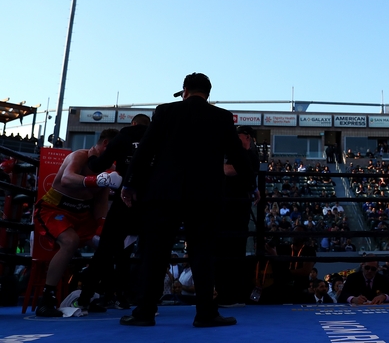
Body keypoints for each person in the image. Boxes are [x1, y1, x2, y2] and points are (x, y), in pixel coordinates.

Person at [119, 73, 254, 328]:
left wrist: (130, 183)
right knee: (202, 253)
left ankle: (145, 311)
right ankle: (205, 313)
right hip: (205, 195)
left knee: (155, 253)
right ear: (208, 93)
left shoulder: (165, 112)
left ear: (185, 91)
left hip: (164, 193)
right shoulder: (222, 117)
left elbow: (145, 150)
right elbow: (238, 156)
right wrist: (252, 185)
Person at [33, 128, 121, 317]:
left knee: (107, 243)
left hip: (82, 214)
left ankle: (89, 295)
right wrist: (95, 180)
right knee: (70, 241)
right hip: (55, 209)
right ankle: (46, 300)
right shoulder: (80, 156)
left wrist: (101, 225)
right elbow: (66, 178)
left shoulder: (109, 169)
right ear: (106, 144)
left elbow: (100, 203)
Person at [77, 114, 151, 311]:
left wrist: (93, 155)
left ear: (133, 123)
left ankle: (85, 298)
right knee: (150, 251)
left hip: (126, 197)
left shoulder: (124, 135)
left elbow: (98, 166)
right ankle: (141, 300)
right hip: (153, 200)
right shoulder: (158, 136)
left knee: (106, 249)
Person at [215, 125, 260, 308]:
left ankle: (231, 295)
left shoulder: (250, 155)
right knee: (224, 250)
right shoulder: (233, 151)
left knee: (233, 250)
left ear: (247, 137)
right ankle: (226, 293)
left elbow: (230, 170)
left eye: (239, 135)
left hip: (237, 207)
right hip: (226, 205)